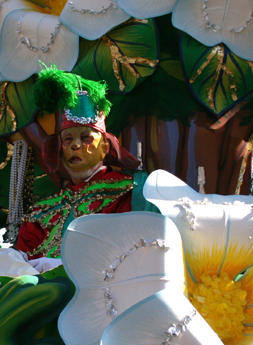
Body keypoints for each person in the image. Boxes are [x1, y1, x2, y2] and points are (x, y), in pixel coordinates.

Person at [15, 67, 153, 263]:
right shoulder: (41, 212)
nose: (76, 145)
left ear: (105, 147)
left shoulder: (131, 191)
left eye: (86, 138)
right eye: (68, 139)